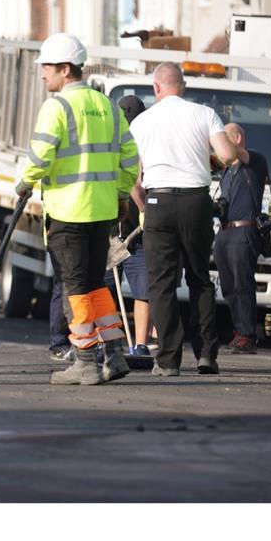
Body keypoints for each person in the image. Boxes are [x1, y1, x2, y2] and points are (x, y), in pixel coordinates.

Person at [16, 33, 139, 385]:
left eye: (47, 68)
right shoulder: (108, 106)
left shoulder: (57, 107)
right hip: (101, 212)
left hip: (69, 213)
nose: (42, 75)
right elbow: (130, 160)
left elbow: (40, 157)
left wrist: (24, 183)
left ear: (65, 69)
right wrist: (118, 196)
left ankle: (84, 360)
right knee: (93, 284)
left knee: (75, 288)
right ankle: (114, 354)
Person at [130, 62, 242, 377]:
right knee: (199, 278)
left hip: (158, 201)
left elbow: (133, 176)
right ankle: (206, 355)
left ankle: (168, 360)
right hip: (196, 201)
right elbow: (228, 155)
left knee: (162, 284)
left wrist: (144, 205)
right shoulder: (204, 114)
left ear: (156, 88)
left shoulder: (141, 121)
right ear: (184, 86)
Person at [213, 122, 269, 354]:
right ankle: (240, 331)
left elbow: (237, 154)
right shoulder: (227, 171)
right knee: (228, 287)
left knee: (242, 284)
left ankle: (247, 335)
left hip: (243, 232)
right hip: (225, 233)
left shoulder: (254, 161)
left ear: (236, 140)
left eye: (223, 139)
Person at [114, 95, 153, 357]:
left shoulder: (113, 142)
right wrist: (145, 211)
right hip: (124, 230)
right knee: (143, 291)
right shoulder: (140, 145)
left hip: (118, 230)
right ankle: (139, 343)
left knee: (104, 290)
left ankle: (130, 343)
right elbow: (135, 186)